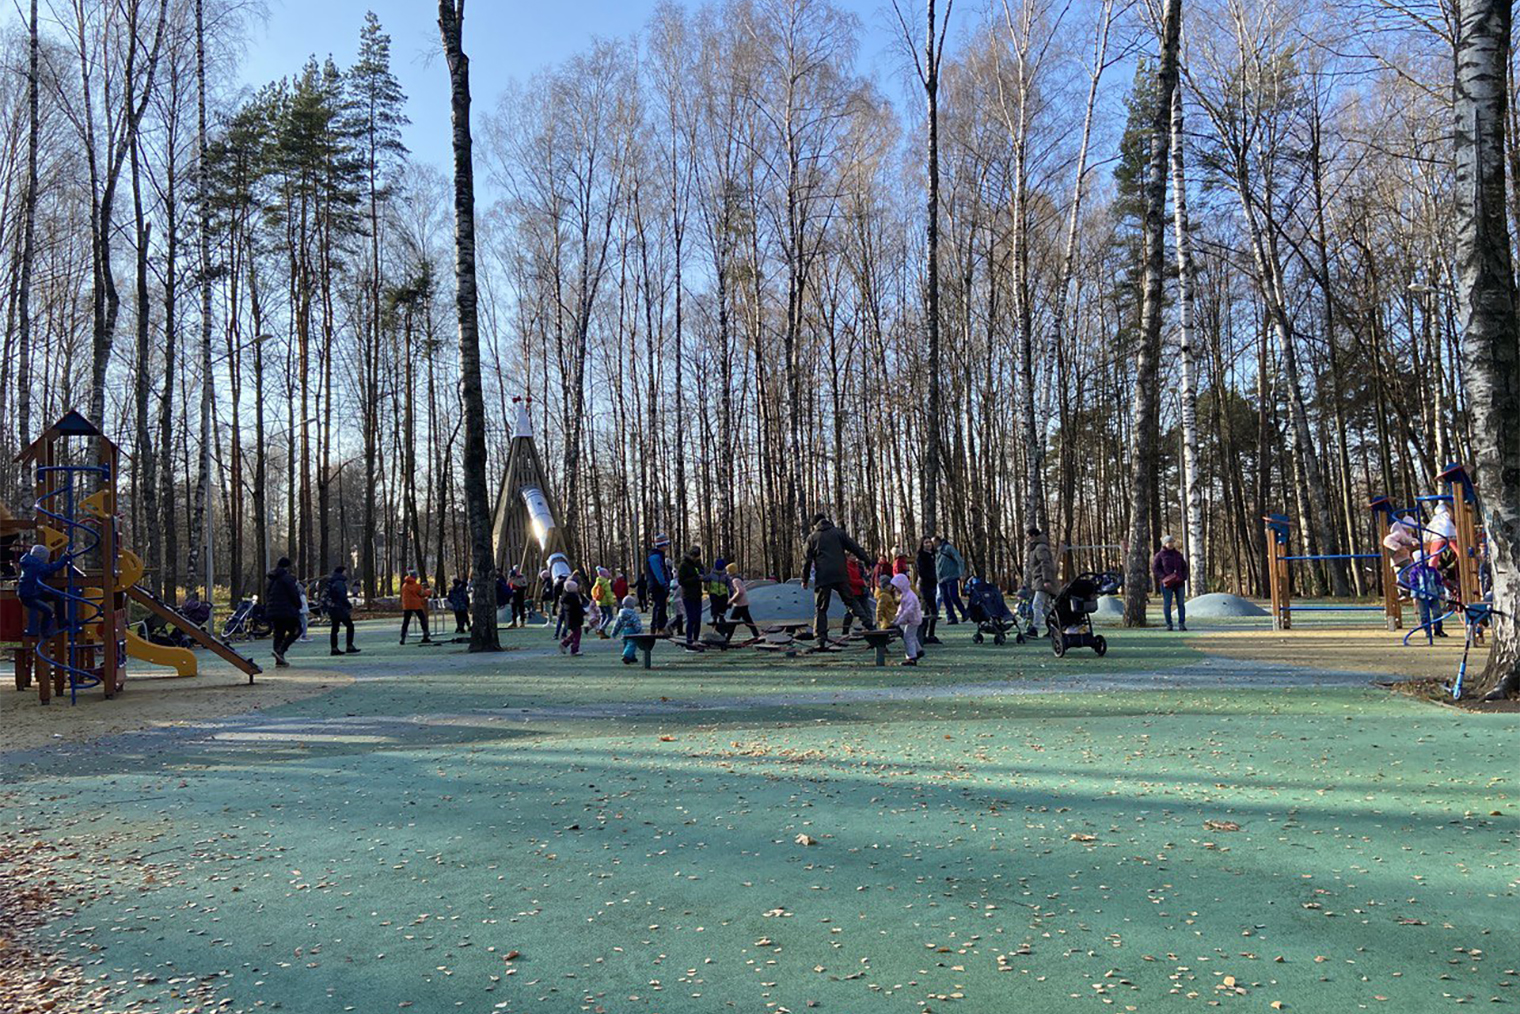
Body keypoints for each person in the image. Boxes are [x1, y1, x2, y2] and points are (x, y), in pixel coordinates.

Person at [802, 514, 874, 644]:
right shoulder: (839, 533)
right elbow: (855, 548)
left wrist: (805, 579)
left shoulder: (812, 538)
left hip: (823, 576)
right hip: (841, 574)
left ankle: (820, 638)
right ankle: (870, 625)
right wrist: (867, 561)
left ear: (815, 524)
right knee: (851, 602)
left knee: (821, 608)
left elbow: (807, 561)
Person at [18, 544, 70, 637]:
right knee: (48, 611)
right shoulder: (35, 565)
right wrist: (65, 557)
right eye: (46, 558)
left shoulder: (30, 562)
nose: (47, 561)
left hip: (33, 592)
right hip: (29, 596)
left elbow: (45, 572)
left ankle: (61, 621)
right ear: (41, 557)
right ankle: (44, 631)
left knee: (58, 597)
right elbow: (51, 568)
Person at [264, 557, 303, 666]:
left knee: (278, 633)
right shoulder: (288, 578)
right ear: (288, 566)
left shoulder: (271, 578)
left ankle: (278, 656)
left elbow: (267, 594)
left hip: (273, 610)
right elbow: (293, 594)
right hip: (287, 610)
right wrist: (299, 605)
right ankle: (281, 650)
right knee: (296, 630)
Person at [1151, 534, 1190, 632]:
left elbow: (1184, 567)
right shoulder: (1160, 555)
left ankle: (1182, 624)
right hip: (1167, 584)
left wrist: (1183, 576)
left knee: (1181, 604)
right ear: (1165, 544)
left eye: (1172, 542)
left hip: (1179, 583)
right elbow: (1155, 568)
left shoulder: (1178, 555)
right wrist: (1164, 577)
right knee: (1167, 604)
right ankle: (1169, 624)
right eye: (1169, 542)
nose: (1171, 544)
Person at [1024, 527, 1057, 637]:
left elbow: (1045, 564)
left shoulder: (1040, 548)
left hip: (1042, 581)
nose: (1027, 539)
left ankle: (1035, 629)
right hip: (1039, 580)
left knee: (1037, 605)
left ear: (1033, 536)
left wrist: (1047, 580)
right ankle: (1055, 628)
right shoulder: (1037, 548)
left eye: (1028, 537)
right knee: (1045, 608)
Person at [890, 573, 925, 665]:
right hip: (912, 619)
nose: (895, 589)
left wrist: (899, 621)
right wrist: (897, 617)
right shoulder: (906, 595)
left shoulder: (910, 597)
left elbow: (907, 611)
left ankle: (911, 657)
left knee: (908, 637)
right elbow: (901, 609)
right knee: (911, 636)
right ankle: (918, 650)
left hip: (913, 620)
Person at [326, 564, 359, 655]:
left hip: (332, 608)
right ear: (342, 572)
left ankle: (334, 648)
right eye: (345, 571)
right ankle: (349, 645)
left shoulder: (331, 581)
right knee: (350, 626)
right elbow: (342, 596)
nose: (346, 573)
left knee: (335, 628)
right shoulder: (339, 582)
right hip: (340, 608)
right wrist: (348, 605)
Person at [724, 563, 762, 642]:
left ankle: (727, 639)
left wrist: (731, 600)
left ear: (731, 571)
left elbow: (740, 592)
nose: (727, 573)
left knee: (732, 622)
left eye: (727, 571)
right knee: (748, 621)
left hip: (739, 604)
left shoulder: (735, 580)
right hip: (743, 603)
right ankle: (757, 636)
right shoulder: (738, 578)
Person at [839, 556, 876, 636]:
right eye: (852, 556)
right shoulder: (846, 566)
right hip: (852, 592)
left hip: (861, 591)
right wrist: (862, 582)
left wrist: (866, 580)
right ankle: (845, 630)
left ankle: (871, 629)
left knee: (866, 610)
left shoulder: (859, 565)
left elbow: (863, 576)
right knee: (852, 612)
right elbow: (849, 580)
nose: (855, 557)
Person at [677, 545, 705, 650]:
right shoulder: (684, 565)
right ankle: (689, 641)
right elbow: (681, 581)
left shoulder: (698, 565)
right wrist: (695, 579)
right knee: (691, 618)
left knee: (698, 619)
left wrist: (702, 576)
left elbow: (702, 573)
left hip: (697, 594)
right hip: (688, 595)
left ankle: (696, 640)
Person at [936, 537, 967, 625]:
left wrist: (961, 573)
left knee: (953, 596)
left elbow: (959, 559)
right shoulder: (936, 552)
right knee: (945, 599)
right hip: (941, 579)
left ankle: (964, 613)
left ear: (937, 541)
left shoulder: (947, 548)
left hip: (951, 576)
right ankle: (951, 617)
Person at [915, 537, 940, 645]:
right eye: (926, 542)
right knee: (930, 610)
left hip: (934, 584)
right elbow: (922, 572)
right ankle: (924, 634)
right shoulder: (921, 557)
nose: (928, 544)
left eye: (929, 542)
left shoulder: (934, 555)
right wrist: (933, 577)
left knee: (930, 610)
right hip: (925, 586)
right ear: (922, 544)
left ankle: (930, 634)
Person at [646, 535, 672, 634]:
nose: (668, 546)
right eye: (667, 544)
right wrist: (663, 583)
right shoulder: (655, 557)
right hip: (657, 585)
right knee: (659, 606)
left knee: (661, 606)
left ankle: (660, 627)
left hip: (658, 585)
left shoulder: (659, 555)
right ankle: (657, 627)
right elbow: (658, 572)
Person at [400, 569, 434, 645]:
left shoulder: (404, 586)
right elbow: (422, 593)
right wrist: (429, 591)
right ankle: (425, 634)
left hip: (407, 605)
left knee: (406, 622)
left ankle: (403, 636)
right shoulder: (416, 586)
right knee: (422, 619)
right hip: (416, 605)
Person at [612, 595, 643, 664]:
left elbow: (617, 624)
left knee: (626, 644)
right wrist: (639, 630)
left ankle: (631, 656)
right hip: (632, 631)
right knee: (632, 644)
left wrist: (614, 632)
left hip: (624, 631)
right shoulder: (633, 614)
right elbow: (636, 622)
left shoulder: (620, 614)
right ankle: (626, 656)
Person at [559, 579, 587, 655]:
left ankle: (565, 643)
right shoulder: (573, 598)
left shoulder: (566, 597)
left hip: (570, 618)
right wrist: (583, 612)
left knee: (575, 633)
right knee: (577, 634)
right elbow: (577, 608)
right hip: (575, 618)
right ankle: (574, 649)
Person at [592, 567, 618, 636]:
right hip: (605, 602)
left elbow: (592, 591)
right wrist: (612, 602)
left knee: (603, 615)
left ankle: (600, 631)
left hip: (599, 601)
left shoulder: (597, 582)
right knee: (610, 616)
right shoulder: (605, 583)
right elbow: (608, 594)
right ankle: (602, 629)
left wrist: (596, 599)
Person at [707, 557, 731, 625]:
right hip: (714, 593)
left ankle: (721, 617)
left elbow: (729, 584)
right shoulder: (713, 574)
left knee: (722, 606)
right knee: (714, 606)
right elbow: (706, 578)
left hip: (723, 594)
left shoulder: (725, 575)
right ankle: (715, 617)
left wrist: (731, 592)